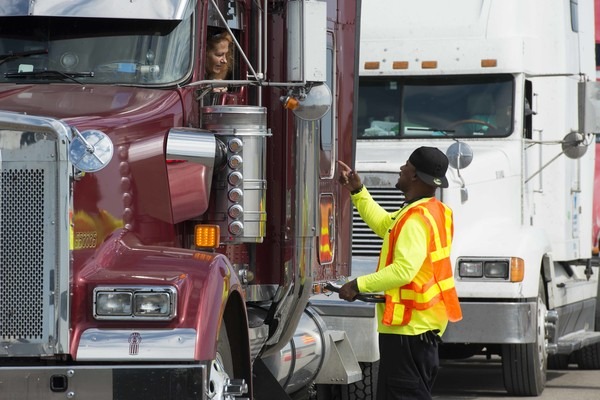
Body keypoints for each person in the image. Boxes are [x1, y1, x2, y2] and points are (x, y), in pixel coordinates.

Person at [337, 146, 462, 400]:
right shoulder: (431, 211)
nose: (401, 168)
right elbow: (385, 225)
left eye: (406, 164)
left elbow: (404, 270)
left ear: (414, 175)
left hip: (409, 330)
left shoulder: (416, 219)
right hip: (421, 329)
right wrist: (358, 192)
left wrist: (357, 285)